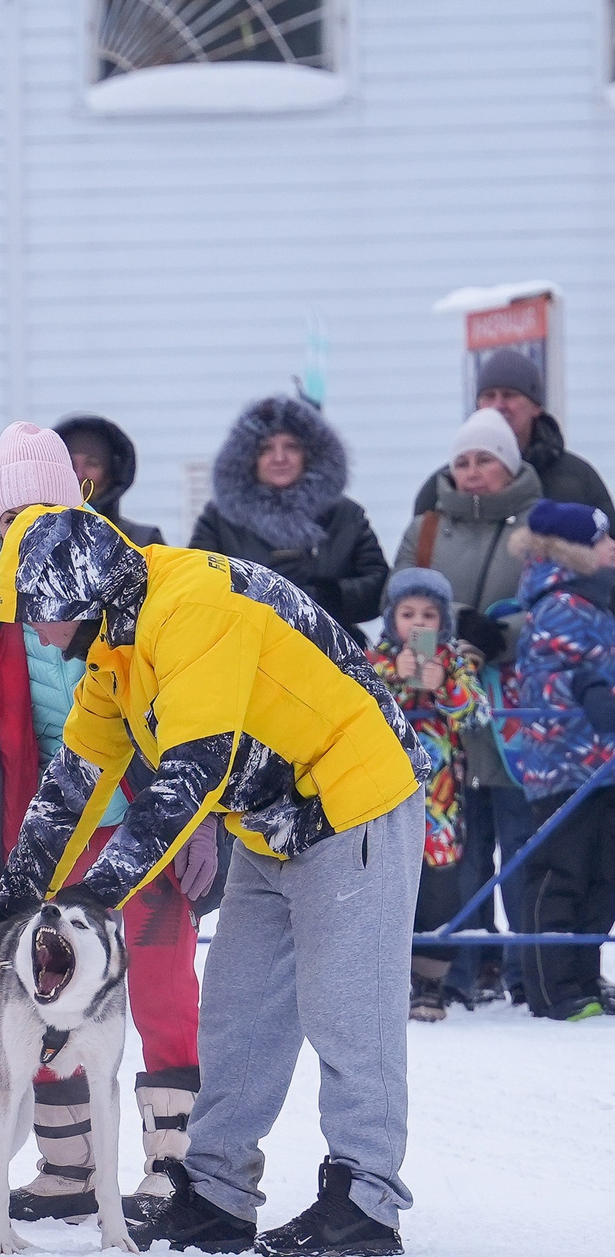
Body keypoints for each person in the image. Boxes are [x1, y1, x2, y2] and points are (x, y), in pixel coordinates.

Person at [0, 506, 432, 1257]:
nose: (34, 633)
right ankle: (216, 1195)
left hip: (355, 794)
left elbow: (190, 770)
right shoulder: (114, 652)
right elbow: (73, 780)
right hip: (273, 818)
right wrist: (15, 894)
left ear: (87, 597)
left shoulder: (191, 608)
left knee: (348, 1009)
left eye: (42, 615)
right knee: (238, 1012)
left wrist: (95, 898)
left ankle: (365, 1197)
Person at [0, 425, 211, 1225]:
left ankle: (172, 1161)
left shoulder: (138, 582)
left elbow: (197, 716)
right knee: (42, 988)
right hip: (48, 838)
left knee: (164, 988)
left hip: (149, 825)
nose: (29, 528)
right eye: (13, 515)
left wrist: (203, 821)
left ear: (76, 508)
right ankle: (69, 1163)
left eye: (46, 509)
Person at [392, 406, 541, 1007]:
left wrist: (500, 636)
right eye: (462, 460)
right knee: (455, 851)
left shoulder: (536, 525)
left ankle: (526, 969)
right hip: (440, 720)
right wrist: (422, 657)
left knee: (523, 841)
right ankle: (455, 969)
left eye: (486, 459)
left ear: (508, 465)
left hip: (511, 707)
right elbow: (400, 598)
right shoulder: (427, 527)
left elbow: (559, 604)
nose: (473, 471)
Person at [499, 502, 615, 1022]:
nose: (611, 547)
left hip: (602, 760)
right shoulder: (560, 604)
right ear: (572, 550)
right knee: (560, 873)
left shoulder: (594, 599)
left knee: (601, 875)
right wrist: (587, 687)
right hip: (563, 764)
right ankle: (553, 988)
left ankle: (585, 978)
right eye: (601, 540)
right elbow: (547, 672)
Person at [364, 569, 488, 1022]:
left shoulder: (453, 660)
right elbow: (349, 702)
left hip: (439, 799)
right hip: (380, 791)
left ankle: (429, 983)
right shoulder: (372, 658)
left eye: (429, 614)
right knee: (381, 881)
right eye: (407, 613)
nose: (418, 623)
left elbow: (477, 716)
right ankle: (380, 982)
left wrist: (446, 686)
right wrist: (387, 675)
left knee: (438, 888)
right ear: (390, 617)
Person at [190, 395, 387, 639]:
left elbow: (379, 586)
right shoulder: (219, 519)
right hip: (246, 653)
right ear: (248, 459)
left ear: (310, 453)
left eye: (291, 446)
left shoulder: (345, 516)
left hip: (332, 654)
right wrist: (255, 593)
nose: (279, 458)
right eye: (266, 449)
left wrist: (328, 596)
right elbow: (197, 585)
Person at [411, 349, 614, 520]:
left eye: (510, 395)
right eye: (489, 396)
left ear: (536, 407)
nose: (498, 406)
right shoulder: (444, 488)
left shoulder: (576, 480)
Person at [54, 413, 162, 545]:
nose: (79, 475)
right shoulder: (33, 539)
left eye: (92, 464)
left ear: (112, 472)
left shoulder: (142, 543)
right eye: (70, 463)